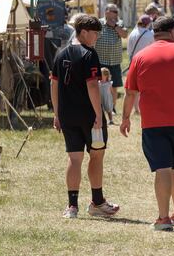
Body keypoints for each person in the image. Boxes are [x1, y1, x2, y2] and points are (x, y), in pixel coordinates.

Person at [121, 16, 174, 231]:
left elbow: (130, 92)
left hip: (153, 123)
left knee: (162, 169)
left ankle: (163, 219)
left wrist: (124, 118)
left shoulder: (140, 57)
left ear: (154, 33)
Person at [50, 14, 119, 219]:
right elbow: (92, 86)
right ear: (84, 32)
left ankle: (72, 207)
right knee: (96, 155)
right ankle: (97, 202)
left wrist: (56, 113)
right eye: (95, 33)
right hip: (89, 116)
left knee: (74, 158)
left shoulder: (60, 54)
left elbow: (54, 85)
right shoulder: (90, 54)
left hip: (67, 115)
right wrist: (99, 114)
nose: (97, 37)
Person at [94, 4, 128, 115]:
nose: (116, 14)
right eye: (114, 11)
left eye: (117, 12)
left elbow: (124, 35)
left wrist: (114, 26)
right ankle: (100, 106)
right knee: (100, 85)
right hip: (101, 61)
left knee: (114, 86)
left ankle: (112, 108)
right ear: (107, 12)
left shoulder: (120, 23)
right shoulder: (98, 23)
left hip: (114, 61)